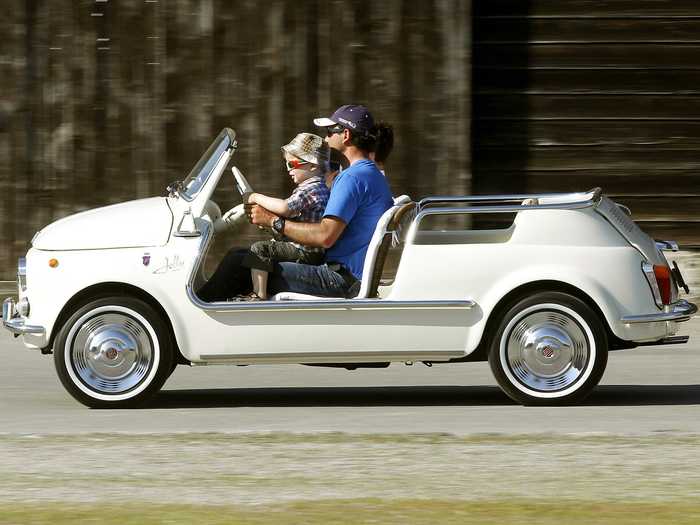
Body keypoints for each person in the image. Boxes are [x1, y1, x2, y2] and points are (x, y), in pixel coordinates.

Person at [198, 104, 392, 301]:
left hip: (338, 280)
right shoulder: (373, 176)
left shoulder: (351, 178)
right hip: (348, 275)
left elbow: (325, 236)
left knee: (238, 264)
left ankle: (198, 313)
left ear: (346, 135)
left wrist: (273, 221)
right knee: (240, 254)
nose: (325, 138)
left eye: (329, 132)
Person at [238, 133, 331, 300]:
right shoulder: (319, 187)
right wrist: (268, 222)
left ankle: (259, 296)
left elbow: (285, 208)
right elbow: (292, 219)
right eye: (287, 164)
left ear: (312, 165)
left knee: (260, 249)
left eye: (292, 164)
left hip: (307, 252)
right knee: (267, 244)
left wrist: (254, 197)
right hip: (309, 249)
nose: (289, 169)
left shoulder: (311, 189)